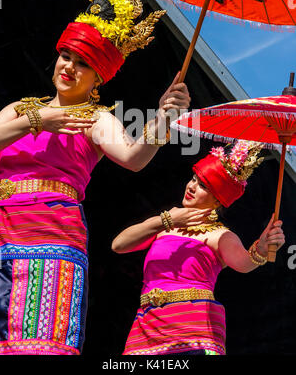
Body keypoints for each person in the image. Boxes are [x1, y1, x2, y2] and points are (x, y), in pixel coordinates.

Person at [0, 0, 191, 355]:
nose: (69, 66)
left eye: (82, 62)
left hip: (50, 238)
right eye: (66, 56)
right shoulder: (20, 107)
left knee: (34, 343)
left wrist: (164, 116)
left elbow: (134, 158)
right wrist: (40, 119)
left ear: (99, 75)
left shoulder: (95, 118)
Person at [112, 141, 285, 356]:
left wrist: (262, 246)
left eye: (204, 186)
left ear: (217, 199)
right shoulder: (165, 225)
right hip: (148, 324)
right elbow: (118, 245)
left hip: (192, 328)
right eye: (194, 179)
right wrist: (165, 220)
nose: (191, 186)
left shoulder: (219, 235)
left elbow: (243, 263)